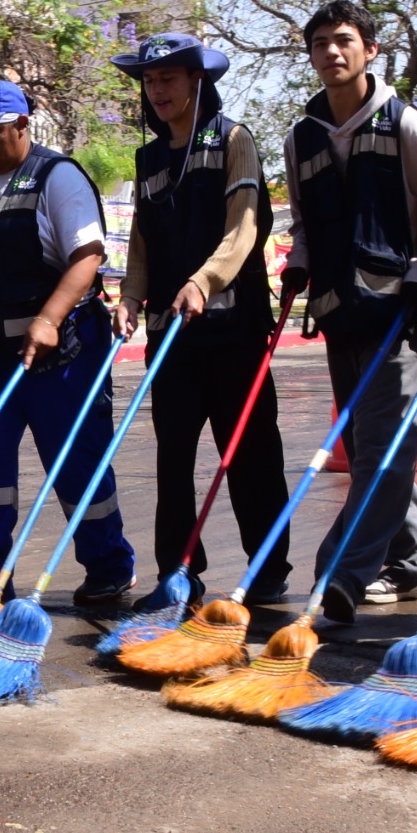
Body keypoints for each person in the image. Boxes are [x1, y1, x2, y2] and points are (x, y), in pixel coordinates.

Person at [0, 80, 135, 615]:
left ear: (22, 125)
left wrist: (48, 318)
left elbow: (87, 256)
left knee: (76, 465)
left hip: (59, 357)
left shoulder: (57, 177)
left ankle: (108, 569)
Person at [279, 0, 417, 621]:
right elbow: (304, 222)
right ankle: (413, 566)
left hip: (399, 317)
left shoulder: (406, 125)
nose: (331, 51)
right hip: (339, 315)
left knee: (384, 450)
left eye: (344, 40)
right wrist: (298, 263)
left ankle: (341, 576)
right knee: (367, 449)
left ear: (370, 50)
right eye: (320, 42)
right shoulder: (301, 137)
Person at [112, 31, 287, 609]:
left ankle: (267, 569)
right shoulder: (148, 158)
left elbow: (244, 227)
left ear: (196, 80)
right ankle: (178, 573)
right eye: (149, 80)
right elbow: (141, 244)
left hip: (235, 332)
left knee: (250, 453)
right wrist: (131, 297)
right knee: (173, 458)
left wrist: (204, 280)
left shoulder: (234, 139)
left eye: (168, 77)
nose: (157, 89)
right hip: (172, 337)